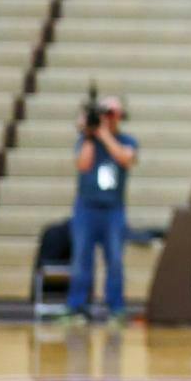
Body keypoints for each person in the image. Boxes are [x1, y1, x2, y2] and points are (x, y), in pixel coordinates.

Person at [61, 95, 137, 326]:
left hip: (113, 209)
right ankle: (77, 307)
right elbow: (82, 165)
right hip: (87, 208)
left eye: (113, 113)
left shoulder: (127, 140)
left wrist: (104, 135)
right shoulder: (87, 140)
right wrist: (89, 135)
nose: (109, 118)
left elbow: (125, 158)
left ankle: (115, 308)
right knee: (82, 259)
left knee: (114, 259)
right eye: (106, 113)